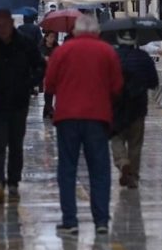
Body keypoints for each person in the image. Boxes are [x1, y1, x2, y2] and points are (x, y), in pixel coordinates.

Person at [45, 15, 123, 235]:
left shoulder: (62, 51)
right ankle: (101, 221)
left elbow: (49, 84)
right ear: (97, 31)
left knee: (67, 169)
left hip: (67, 117)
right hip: (97, 117)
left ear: (76, 31)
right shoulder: (107, 51)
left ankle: (70, 221)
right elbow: (117, 86)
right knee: (99, 170)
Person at [0, 9, 45, 204]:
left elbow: (40, 65)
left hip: (19, 102)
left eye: (5, 24)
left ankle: (13, 182)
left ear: (12, 24)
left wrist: (29, 83)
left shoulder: (24, 43)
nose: (2, 28)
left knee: (15, 144)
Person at [110, 29, 158, 189]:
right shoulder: (143, 57)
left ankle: (122, 161)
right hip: (138, 107)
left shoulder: (112, 56)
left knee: (116, 138)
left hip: (117, 107)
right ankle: (133, 177)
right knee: (135, 144)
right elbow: (154, 82)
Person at [40, 30, 59, 119]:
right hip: (44, 72)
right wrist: (44, 58)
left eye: (53, 37)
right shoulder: (41, 47)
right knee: (47, 90)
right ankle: (49, 109)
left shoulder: (56, 47)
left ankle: (48, 110)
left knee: (51, 90)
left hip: (54, 72)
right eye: (50, 36)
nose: (52, 39)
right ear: (46, 37)